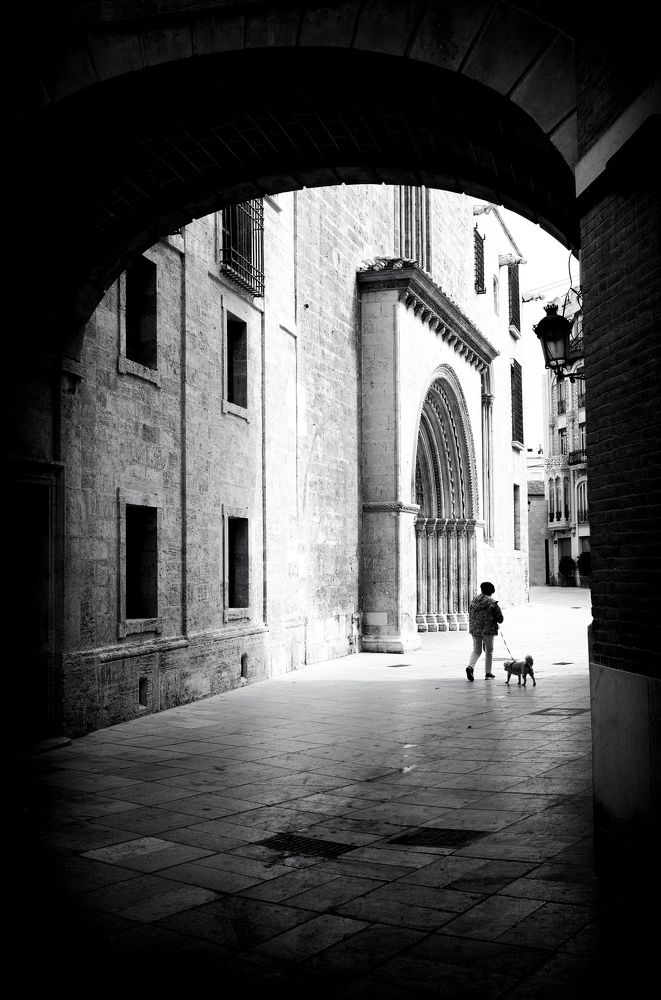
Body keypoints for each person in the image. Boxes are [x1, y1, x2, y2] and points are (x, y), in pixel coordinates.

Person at [466, 581, 503, 681]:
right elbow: (500, 618)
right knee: (489, 650)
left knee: (476, 650)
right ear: (491, 591)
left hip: (475, 629)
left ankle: (470, 667)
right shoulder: (492, 603)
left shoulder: (474, 600)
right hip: (488, 630)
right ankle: (488, 673)